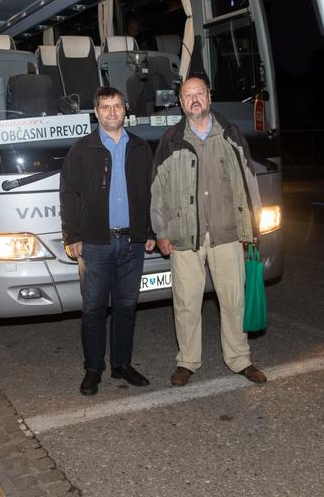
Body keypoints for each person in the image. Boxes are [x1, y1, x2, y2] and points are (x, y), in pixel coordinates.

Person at [151, 76, 267, 386]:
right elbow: (157, 192)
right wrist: (161, 231)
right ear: (181, 103)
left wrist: (252, 227)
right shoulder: (171, 140)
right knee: (187, 302)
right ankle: (187, 361)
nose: (194, 100)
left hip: (226, 232)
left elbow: (248, 183)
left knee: (233, 299)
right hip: (184, 236)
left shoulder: (230, 135)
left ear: (209, 98)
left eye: (198, 94)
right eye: (187, 96)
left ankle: (240, 358)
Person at [60, 86, 156, 396]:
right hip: (95, 243)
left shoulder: (140, 148)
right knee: (94, 310)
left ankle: (122, 365)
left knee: (127, 307)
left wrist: (150, 232)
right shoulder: (82, 149)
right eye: (105, 107)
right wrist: (72, 236)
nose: (112, 112)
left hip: (132, 244)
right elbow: (69, 194)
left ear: (125, 110)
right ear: (96, 112)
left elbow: (150, 193)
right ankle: (93, 369)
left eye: (117, 106)